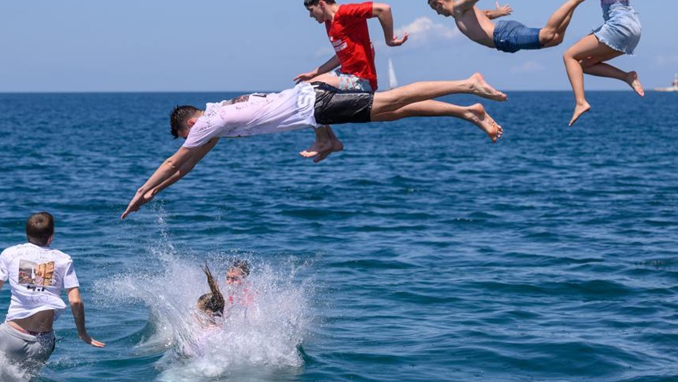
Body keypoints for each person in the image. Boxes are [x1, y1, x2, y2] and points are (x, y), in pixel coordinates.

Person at [121, 73, 507, 219]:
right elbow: (186, 166)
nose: (191, 140)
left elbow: (176, 160)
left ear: (190, 123)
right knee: (393, 113)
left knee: (391, 100)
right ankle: (466, 111)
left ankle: (466, 84)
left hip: (315, 104)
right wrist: (156, 190)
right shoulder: (216, 119)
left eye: (186, 134)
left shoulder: (208, 122)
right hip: (315, 103)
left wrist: (141, 190)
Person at [0, 212, 104, 372]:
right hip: (42, 342)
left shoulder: (10, 254)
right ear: (51, 236)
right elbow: (75, 301)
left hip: (11, 336)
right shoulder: (63, 260)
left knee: (2, 380)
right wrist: (82, 333)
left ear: (27, 234)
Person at [293, 0, 409, 162]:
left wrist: (389, 40)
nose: (311, 15)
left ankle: (324, 140)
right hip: (346, 75)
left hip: (361, 80)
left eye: (311, 10)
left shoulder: (346, 12)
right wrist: (313, 73)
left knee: (310, 90)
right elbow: (340, 56)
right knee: (305, 88)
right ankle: (330, 140)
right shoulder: (329, 24)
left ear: (321, 4)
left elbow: (384, 9)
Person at [557, 0, 656, 126]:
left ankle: (580, 102)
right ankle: (627, 77)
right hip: (631, 29)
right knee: (584, 65)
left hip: (619, 25)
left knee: (568, 56)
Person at [428, 0, 597, 53]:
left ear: (440, 3)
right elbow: (484, 14)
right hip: (504, 40)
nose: (437, 13)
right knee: (556, 39)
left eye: (435, 9)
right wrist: (498, 13)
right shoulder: (462, 14)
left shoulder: (458, 8)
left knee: (547, 34)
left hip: (503, 36)